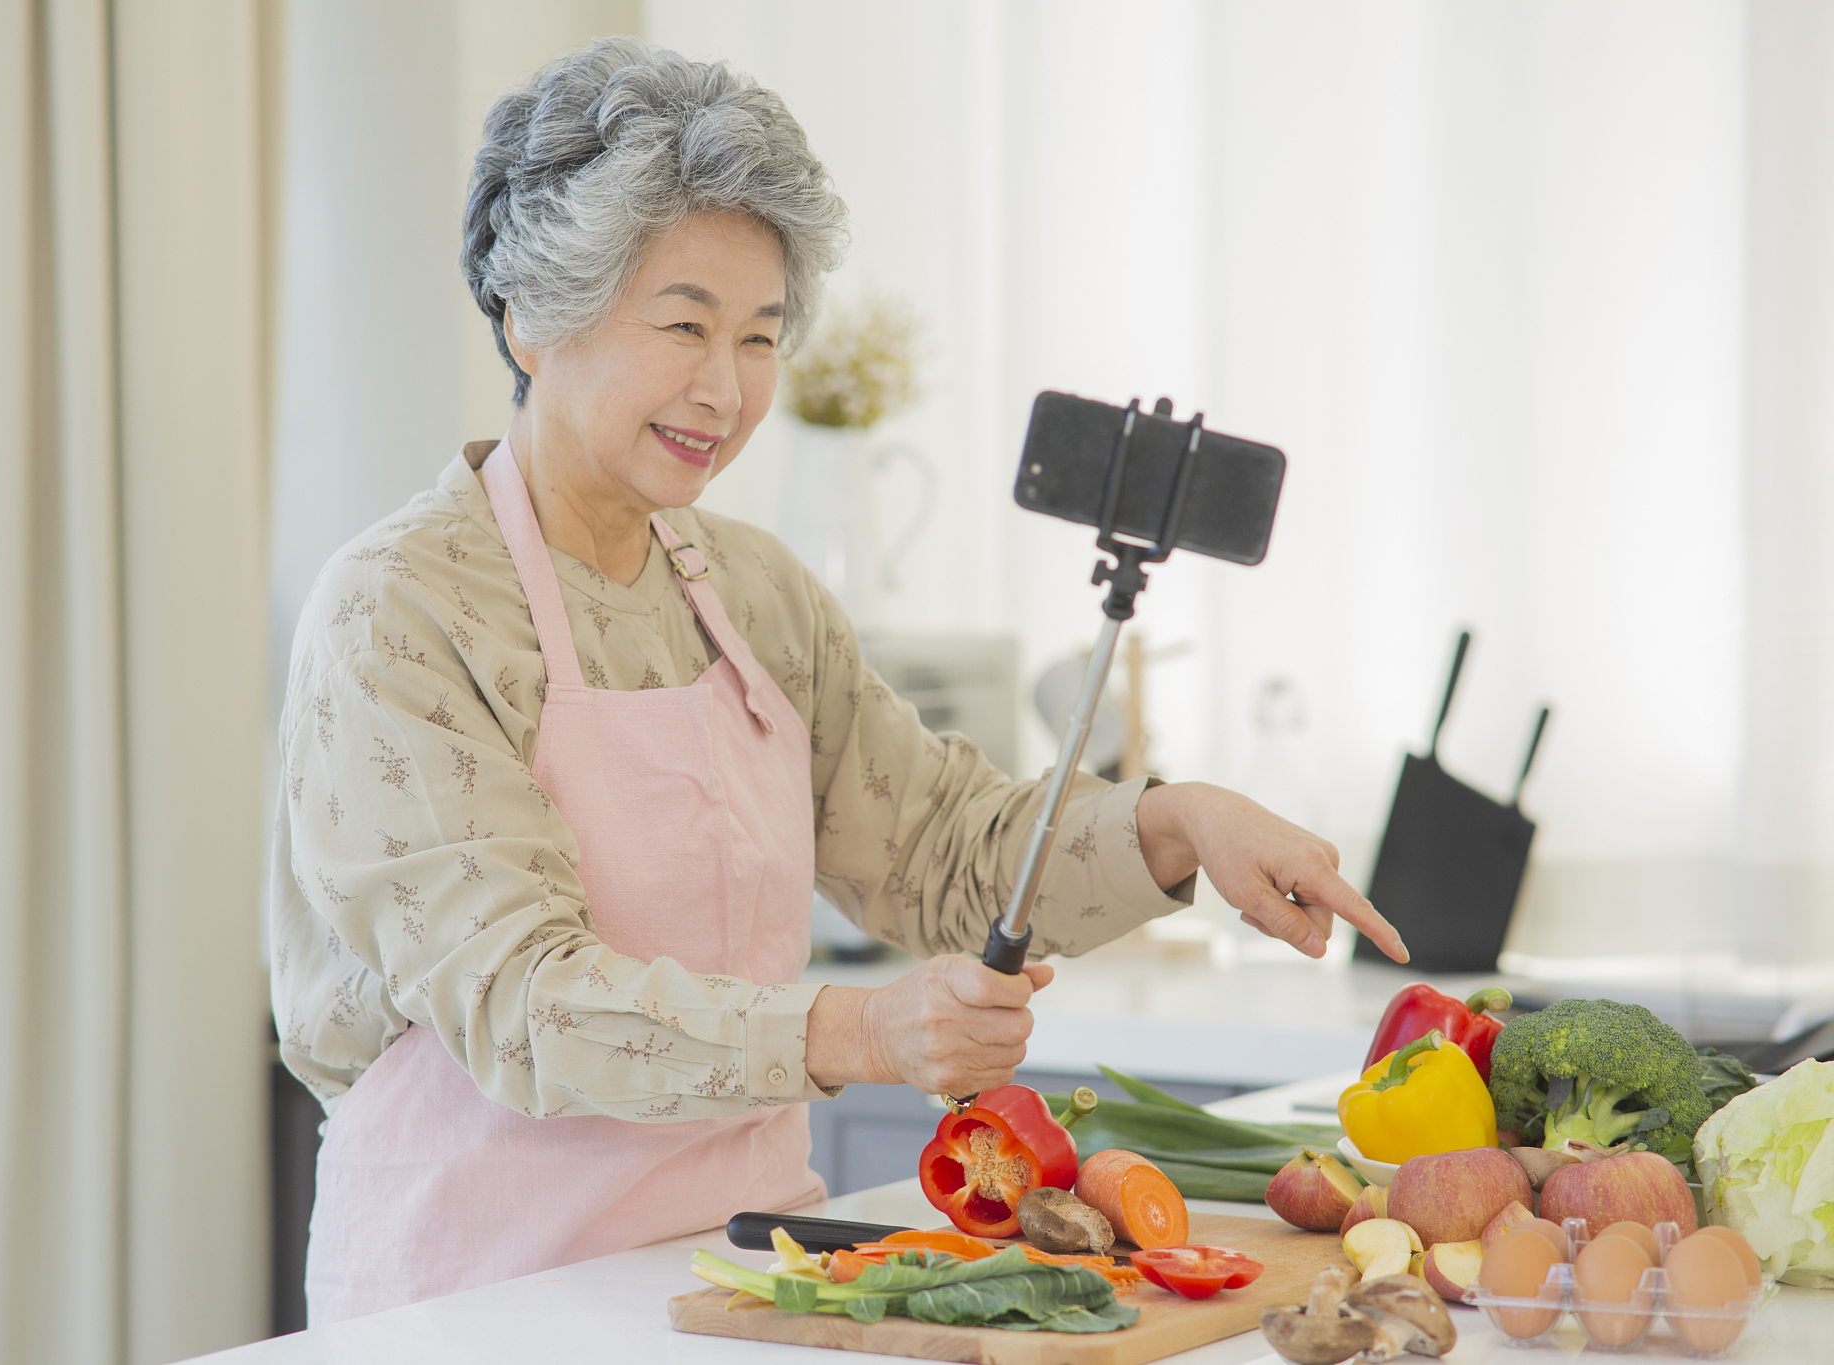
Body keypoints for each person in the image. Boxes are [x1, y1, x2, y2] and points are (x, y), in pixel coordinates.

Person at [269, 37, 1408, 1325]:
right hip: (473, 1301)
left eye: (760, 336)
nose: (728, 388)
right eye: (685, 325)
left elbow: (943, 849)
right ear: (533, 316)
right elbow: (522, 1003)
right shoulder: (403, 609)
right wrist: (860, 1035)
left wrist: (1172, 821)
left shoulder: (751, 592)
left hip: (744, 1280)